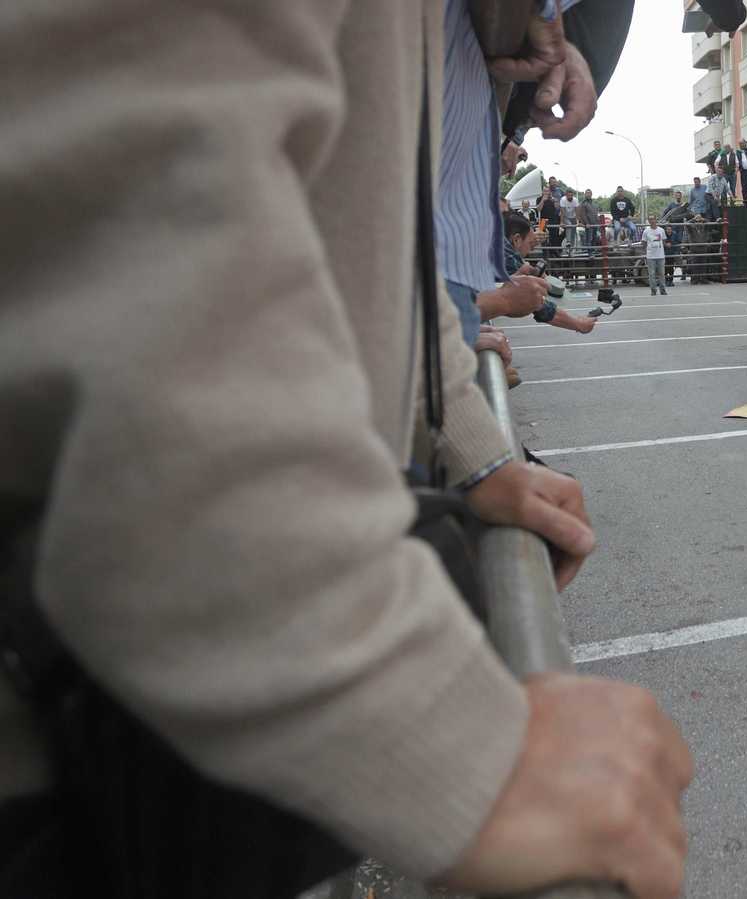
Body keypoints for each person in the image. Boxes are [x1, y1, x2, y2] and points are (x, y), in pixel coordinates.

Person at [0, 1, 696, 897]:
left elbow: (362, 222)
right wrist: (450, 743)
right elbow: (128, 180)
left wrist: (470, 444)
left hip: (158, 735)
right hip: (79, 753)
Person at [503, 214, 596, 333]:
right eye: (530, 243)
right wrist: (580, 325)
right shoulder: (507, 255)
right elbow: (541, 307)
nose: (529, 251)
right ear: (516, 239)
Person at [641, 213, 671, 295]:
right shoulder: (646, 231)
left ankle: (662, 289)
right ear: (649, 221)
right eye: (650, 219)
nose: (652, 221)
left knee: (661, 273)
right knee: (651, 274)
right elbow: (644, 243)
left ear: (656, 219)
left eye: (653, 219)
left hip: (660, 255)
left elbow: (664, 241)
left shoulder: (661, 230)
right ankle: (653, 289)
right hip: (651, 255)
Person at [559, 186, 581, 250]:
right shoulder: (563, 200)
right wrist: (561, 222)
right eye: (569, 195)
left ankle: (572, 248)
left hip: (572, 216)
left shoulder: (575, 200)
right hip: (565, 216)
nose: (570, 197)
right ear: (566, 195)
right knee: (569, 225)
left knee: (573, 232)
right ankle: (568, 241)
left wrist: (579, 221)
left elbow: (577, 211)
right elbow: (562, 212)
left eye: (571, 195)